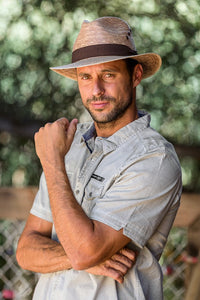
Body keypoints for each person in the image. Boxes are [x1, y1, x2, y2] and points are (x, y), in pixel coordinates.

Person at [16, 16, 182, 300]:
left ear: (136, 75)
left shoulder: (154, 159)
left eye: (108, 75)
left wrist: (53, 161)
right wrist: (81, 256)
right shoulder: (69, 145)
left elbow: (85, 251)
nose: (96, 91)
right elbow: (26, 251)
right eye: (85, 77)